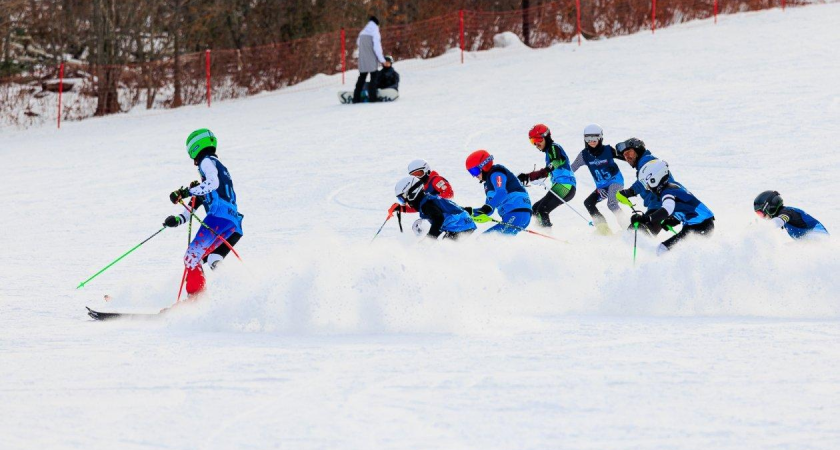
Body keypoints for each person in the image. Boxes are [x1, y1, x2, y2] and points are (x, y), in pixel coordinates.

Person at [163, 129, 244, 296]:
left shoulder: (206, 162)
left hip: (218, 217)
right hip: (232, 222)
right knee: (211, 258)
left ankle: (196, 300)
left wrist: (186, 192)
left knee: (191, 256)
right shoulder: (218, 170)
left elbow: (212, 183)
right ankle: (237, 291)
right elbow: (192, 209)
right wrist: (177, 220)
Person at [630, 159, 714, 255]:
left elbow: (667, 209)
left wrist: (646, 218)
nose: (647, 187)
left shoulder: (667, 192)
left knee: (662, 249)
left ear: (654, 179)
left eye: (647, 183)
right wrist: (673, 220)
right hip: (700, 225)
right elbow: (687, 208)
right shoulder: (672, 188)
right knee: (678, 250)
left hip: (700, 226)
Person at [614, 137, 680, 234]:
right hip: (658, 205)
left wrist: (630, 191)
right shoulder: (643, 165)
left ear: (637, 149)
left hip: (660, 204)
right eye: (624, 155)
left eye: (628, 152)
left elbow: (646, 179)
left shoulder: (647, 160)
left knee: (637, 232)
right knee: (643, 233)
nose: (627, 157)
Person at [517, 124, 576, 228]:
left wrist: (544, 170)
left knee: (542, 210)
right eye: (532, 141)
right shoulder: (549, 153)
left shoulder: (554, 147)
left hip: (565, 186)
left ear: (546, 136)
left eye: (537, 140)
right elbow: (545, 173)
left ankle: (548, 234)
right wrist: (528, 176)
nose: (536, 144)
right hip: (561, 186)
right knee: (535, 209)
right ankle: (541, 232)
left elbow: (556, 162)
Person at [570, 124, 625, 234]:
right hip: (602, 187)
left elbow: (627, 158)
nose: (592, 141)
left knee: (612, 203)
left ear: (600, 137)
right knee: (588, 203)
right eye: (588, 138)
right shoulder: (584, 155)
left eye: (595, 138)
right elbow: (572, 168)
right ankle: (603, 229)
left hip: (615, 182)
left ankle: (627, 226)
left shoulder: (608, 150)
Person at [465, 149, 532, 235]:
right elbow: (488, 210)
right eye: (471, 172)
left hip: (518, 212)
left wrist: (487, 207)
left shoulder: (496, 173)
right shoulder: (488, 186)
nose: (475, 175)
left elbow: (501, 193)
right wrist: (469, 212)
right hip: (514, 215)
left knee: (485, 240)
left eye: (475, 171)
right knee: (488, 240)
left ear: (484, 165)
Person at [394, 176, 475, 240]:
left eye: (402, 199)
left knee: (446, 248)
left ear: (412, 193)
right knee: (443, 244)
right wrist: (399, 208)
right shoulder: (426, 199)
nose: (404, 202)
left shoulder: (426, 204)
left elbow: (439, 218)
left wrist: (430, 238)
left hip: (461, 227)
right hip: (461, 225)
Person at [389, 159, 454, 216]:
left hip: (447, 213)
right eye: (414, 176)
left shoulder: (436, 180)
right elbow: (419, 207)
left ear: (427, 170)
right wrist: (401, 208)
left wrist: (432, 200)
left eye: (419, 174)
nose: (418, 178)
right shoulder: (419, 188)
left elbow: (449, 194)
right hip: (434, 214)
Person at [754, 190, 828, 239]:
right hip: (811, 240)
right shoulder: (784, 212)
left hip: (819, 238)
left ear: (769, 207)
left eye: (761, 213)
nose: (762, 217)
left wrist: (763, 228)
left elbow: (779, 221)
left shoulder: (787, 212)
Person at [353, 16, 386, 104]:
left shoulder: (362, 32)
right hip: (371, 59)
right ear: (377, 24)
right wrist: (382, 60)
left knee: (362, 78)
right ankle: (373, 98)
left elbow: (358, 43)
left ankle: (356, 97)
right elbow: (377, 48)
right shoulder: (375, 32)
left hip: (363, 59)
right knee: (373, 78)